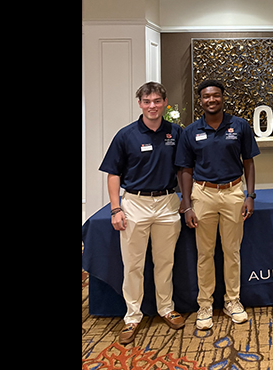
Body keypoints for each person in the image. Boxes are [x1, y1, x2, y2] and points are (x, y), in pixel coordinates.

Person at [98, 81, 187, 345]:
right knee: (133, 265)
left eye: (157, 101)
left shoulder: (176, 133)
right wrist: (116, 209)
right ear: (140, 104)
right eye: (147, 102)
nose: (152, 106)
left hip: (168, 202)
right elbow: (113, 174)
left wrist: (187, 200)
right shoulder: (125, 135)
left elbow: (184, 169)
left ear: (164, 103)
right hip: (134, 204)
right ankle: (132, 317)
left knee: (165, 262)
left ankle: (166, 308)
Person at [175, 79, 260, 331]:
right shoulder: (191, 131)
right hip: (203, 195)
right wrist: (187, 203)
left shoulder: (240, 126)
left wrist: (250, 195)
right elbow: (185, 170)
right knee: (205, 253)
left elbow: (249, 162)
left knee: (232, 251)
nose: (211, 100)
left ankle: (232, 302)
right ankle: (204, 305)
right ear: (200, 100)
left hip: (233, 192)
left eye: (215, 95)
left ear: (223, 97)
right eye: (206, 96)